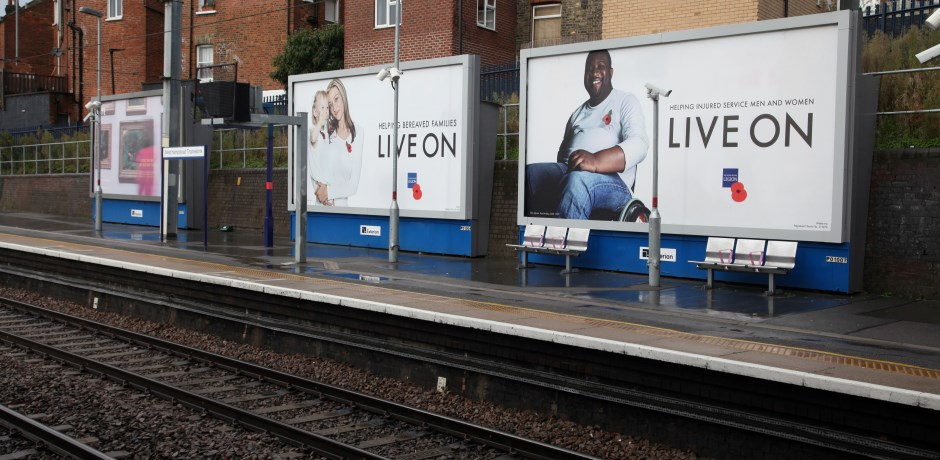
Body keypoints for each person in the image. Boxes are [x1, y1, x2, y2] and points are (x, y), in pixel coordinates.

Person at [525, 49, 650, 222]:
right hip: (573, 173)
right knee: (531, 174)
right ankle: (535, 238)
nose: (595, 72)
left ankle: (566, 248)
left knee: (578, 181)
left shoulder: (625, 101)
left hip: (615, 184)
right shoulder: (577, 114)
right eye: (590, 68)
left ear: (611, 73)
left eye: (601, 66)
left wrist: (596, 161)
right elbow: (562, 158)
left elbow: (639, 144)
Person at [313, 79, 363, 207]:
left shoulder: (358, 132)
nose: (334, 108)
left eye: (336, 99)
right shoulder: (326, 132)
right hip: (321, 205)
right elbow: (314, 166)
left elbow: (353, 186)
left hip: (341, 207)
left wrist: (328, 192)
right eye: (329, 104)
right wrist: (322, 195)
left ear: (343, 97)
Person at [308, 90, 330, 206]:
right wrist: (320, 122)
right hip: (320, 185)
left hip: (327, 184)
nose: (326, 111)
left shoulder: (326, 133)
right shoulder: (313, 130)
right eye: (323, 107)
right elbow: (313, 139)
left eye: (327, 107)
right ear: (315, 112)